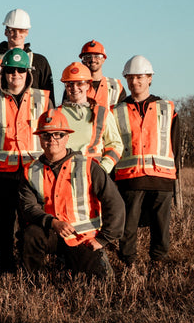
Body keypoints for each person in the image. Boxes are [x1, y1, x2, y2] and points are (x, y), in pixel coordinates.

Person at [18, 109, 124, 280]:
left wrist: (103, 240)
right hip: (50, 232)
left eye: (58, 134)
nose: (51, 139)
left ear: (67, 137)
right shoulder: (30, 171)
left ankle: (69, 262)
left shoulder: (88, 166)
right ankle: (34, 281)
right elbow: (28, 207)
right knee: (31, 233)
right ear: (39, 139)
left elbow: (114, 203)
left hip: (83, 238)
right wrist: (53, 223)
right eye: (45, 135)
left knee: (100, 282)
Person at [0, 47, 51, 274]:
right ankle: (5, 270)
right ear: (3, 73)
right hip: (1, 174)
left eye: (20, 71)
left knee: (31, 224)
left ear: (28, 73)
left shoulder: (42, 99)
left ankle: (31, 271)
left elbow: (51, 136)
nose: (15, 75)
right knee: (2, 226)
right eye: (10, 71)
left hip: (32, 175)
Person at [113, 55, 179, 266]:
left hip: (162, 178)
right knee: (128, 226)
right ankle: (128, 263)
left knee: (161, 225)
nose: (135, 82)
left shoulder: (167, 109)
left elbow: (174, 145)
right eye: (130, 78)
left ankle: (158, 262)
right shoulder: (117, 111)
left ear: (150, 78)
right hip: (130, 179)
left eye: (140, 77)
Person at [58, 62, 123, 172]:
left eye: (80, 83)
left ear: (88, 85)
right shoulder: (57, 113)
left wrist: (102, 169)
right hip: (63, 173)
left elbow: (115, 145)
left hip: (92, 174)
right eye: (70, 84)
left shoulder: (102, 113)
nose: (74, 88)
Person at [0, 8, 55, 106]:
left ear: (27, 32)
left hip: (32, 117)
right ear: (6, 32)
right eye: (12, 30)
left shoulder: (40, 62)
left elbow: (49, 97)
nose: (17, 34)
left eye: (21, 30)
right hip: (1, 116)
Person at [80, 40, 127, 108]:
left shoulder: (116, 87)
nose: (93, 60)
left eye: (97, 56)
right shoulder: (75, 87)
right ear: (83, 61)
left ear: (103, 59)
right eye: (88, 56)